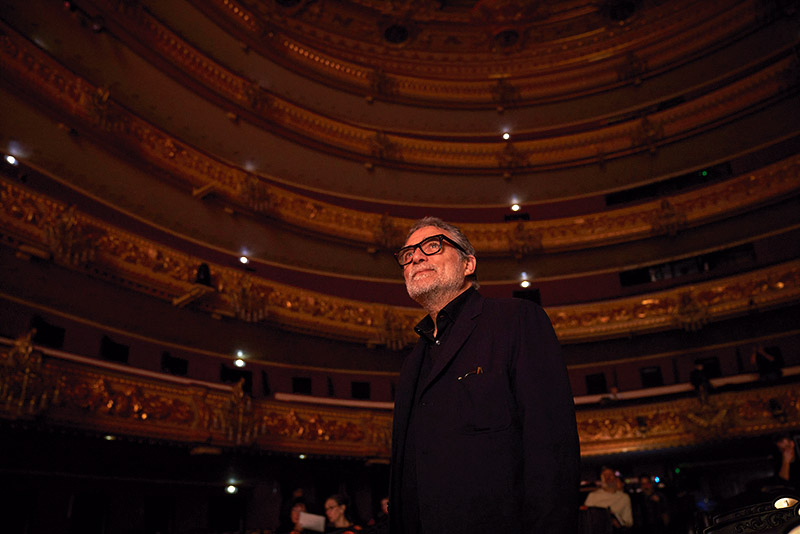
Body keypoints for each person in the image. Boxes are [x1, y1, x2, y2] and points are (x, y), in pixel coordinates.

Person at [388, 217, 580, 534]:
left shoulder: (516, 320)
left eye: (432, 246)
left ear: (469, 264)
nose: (416, 257)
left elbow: (552, 452)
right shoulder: (412, 363)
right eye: (407, 254)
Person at [584, 467, 633, 531]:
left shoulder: (624, 498)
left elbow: (628, 522)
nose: (608, 478)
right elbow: (585, 518)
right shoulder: (592, 496)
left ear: (615, 478)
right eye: (605, 476)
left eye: (610, 475)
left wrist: (619, 524)